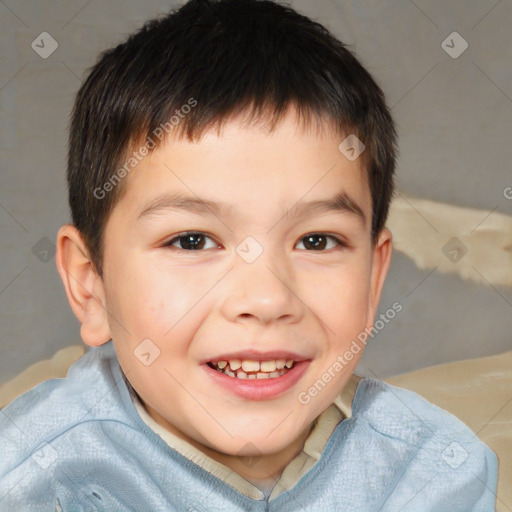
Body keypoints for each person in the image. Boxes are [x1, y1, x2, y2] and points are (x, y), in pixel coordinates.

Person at [0, 1, 498, 510]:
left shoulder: (433, 473)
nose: (265, 299)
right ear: (91, 284)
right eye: (192, 241)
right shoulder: (33, 481)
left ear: (373, 279)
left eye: (317, 241)